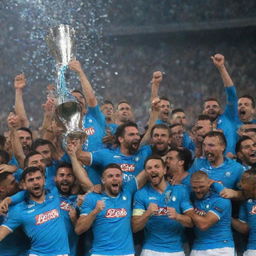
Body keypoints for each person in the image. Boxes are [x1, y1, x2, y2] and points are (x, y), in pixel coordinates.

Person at [75, 163, 147, 256]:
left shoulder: (127, 191)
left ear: (122, 178)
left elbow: (147, 170)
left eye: (118, 175)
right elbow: (78, 229)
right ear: (103, 180)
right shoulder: (92, 198)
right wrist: (95, 212)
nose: (115, 178)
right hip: (101, 253)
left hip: (126, 253)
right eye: (110, 176)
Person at [0, 167, 70, 256]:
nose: (35, 182)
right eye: (31, 180)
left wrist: (9, 199)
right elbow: (2, 232)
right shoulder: (19, 210)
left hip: (62, 253)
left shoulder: (54, 192)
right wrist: (9, 200)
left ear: (44, 180)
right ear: (24, 185)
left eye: (38, 178)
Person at [132, 155, 193, 256]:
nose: (153, 170)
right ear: (146, 173)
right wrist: (148, 213)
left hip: (176, 250)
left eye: (157, 167)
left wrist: (177, 216)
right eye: (149, 168)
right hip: (150, 250)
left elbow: (191, 223)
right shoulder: (141, 194)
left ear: (164, 170)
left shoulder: (181, 190)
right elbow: (135, 227)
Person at [76, 122, 152, 183]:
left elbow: (151, 134)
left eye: (137, 134)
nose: (136, 137)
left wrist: (155, 111)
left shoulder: (144, 153)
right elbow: (79, 155)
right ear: (121, 139)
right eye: (131, 134)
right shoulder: (106, 155)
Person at [187, 171, 235, 255]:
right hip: (198, 246)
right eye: (194, 187)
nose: (198, 190)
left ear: (209, 183)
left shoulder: (221, 199)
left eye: (201, 187)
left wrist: (188, 210)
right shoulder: (191, 197)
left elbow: (204, 225)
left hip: (221, 247)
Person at [0, 171, 29, 256]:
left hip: (25, 251)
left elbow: (26, 192)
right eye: (12, 183)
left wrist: (8, 200)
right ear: (2, 188)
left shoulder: (20, 198)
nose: (17, 183)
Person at [232, 168, 256, 256]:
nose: (240, 184)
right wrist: (228, 218)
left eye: (244, 181)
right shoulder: (246, 202)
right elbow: (244, 229)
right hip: (252, 249)